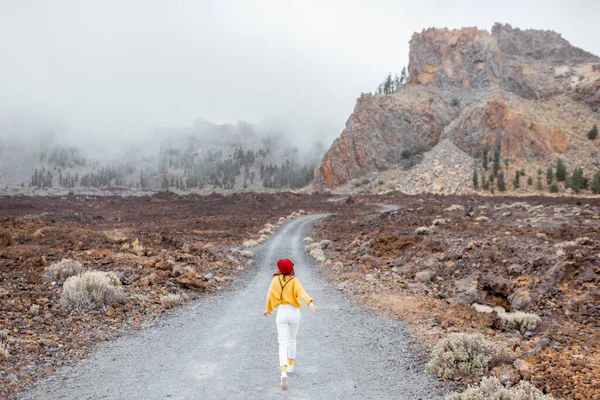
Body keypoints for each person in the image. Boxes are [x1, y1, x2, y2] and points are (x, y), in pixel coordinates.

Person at [264, 258, 318, 390]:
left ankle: (283, 372)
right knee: (292, 339)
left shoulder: (274, 280)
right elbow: (302, 293)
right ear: (291, 268)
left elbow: (270, 295)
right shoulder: (294, 281)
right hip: (294, 313)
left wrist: (268, 309)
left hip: (281, 313)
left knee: (282, 343)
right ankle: (291, 365)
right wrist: (310, 304)